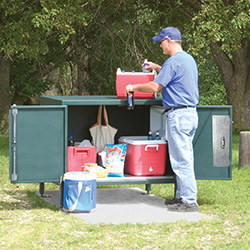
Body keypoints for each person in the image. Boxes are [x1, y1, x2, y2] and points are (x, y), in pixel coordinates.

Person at [125, 27, 199, 212]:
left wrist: (133, 87)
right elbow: (172, 75)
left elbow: (154, 86)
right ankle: (181, 197)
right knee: (183, 157)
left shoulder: (173, 62)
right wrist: (157, 67)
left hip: (178, 115)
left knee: (182, 160)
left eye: (161, 42)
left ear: (169, 41)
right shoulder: (187, 59)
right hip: (189, 114)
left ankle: (189, 201)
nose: (160, 46)